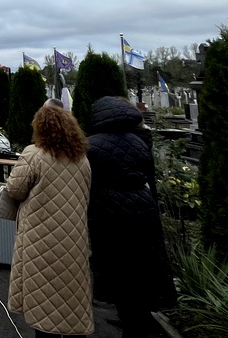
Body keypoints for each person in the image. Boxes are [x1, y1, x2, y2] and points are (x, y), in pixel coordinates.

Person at [87, 96, 176, 337]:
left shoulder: (91, 145)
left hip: (110, 215)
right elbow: (149, 178)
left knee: (119, 270)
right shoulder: (139, 142)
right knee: (141, 269)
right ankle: (138, 319)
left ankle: (129, 318)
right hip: (143, 212)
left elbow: (87, 184)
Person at [6, 100, 94, 337]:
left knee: (44, 304)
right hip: (74, 241)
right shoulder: (82, 160)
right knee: (70, 302)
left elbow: (15, 189)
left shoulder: (34, 154)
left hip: (40, 240)